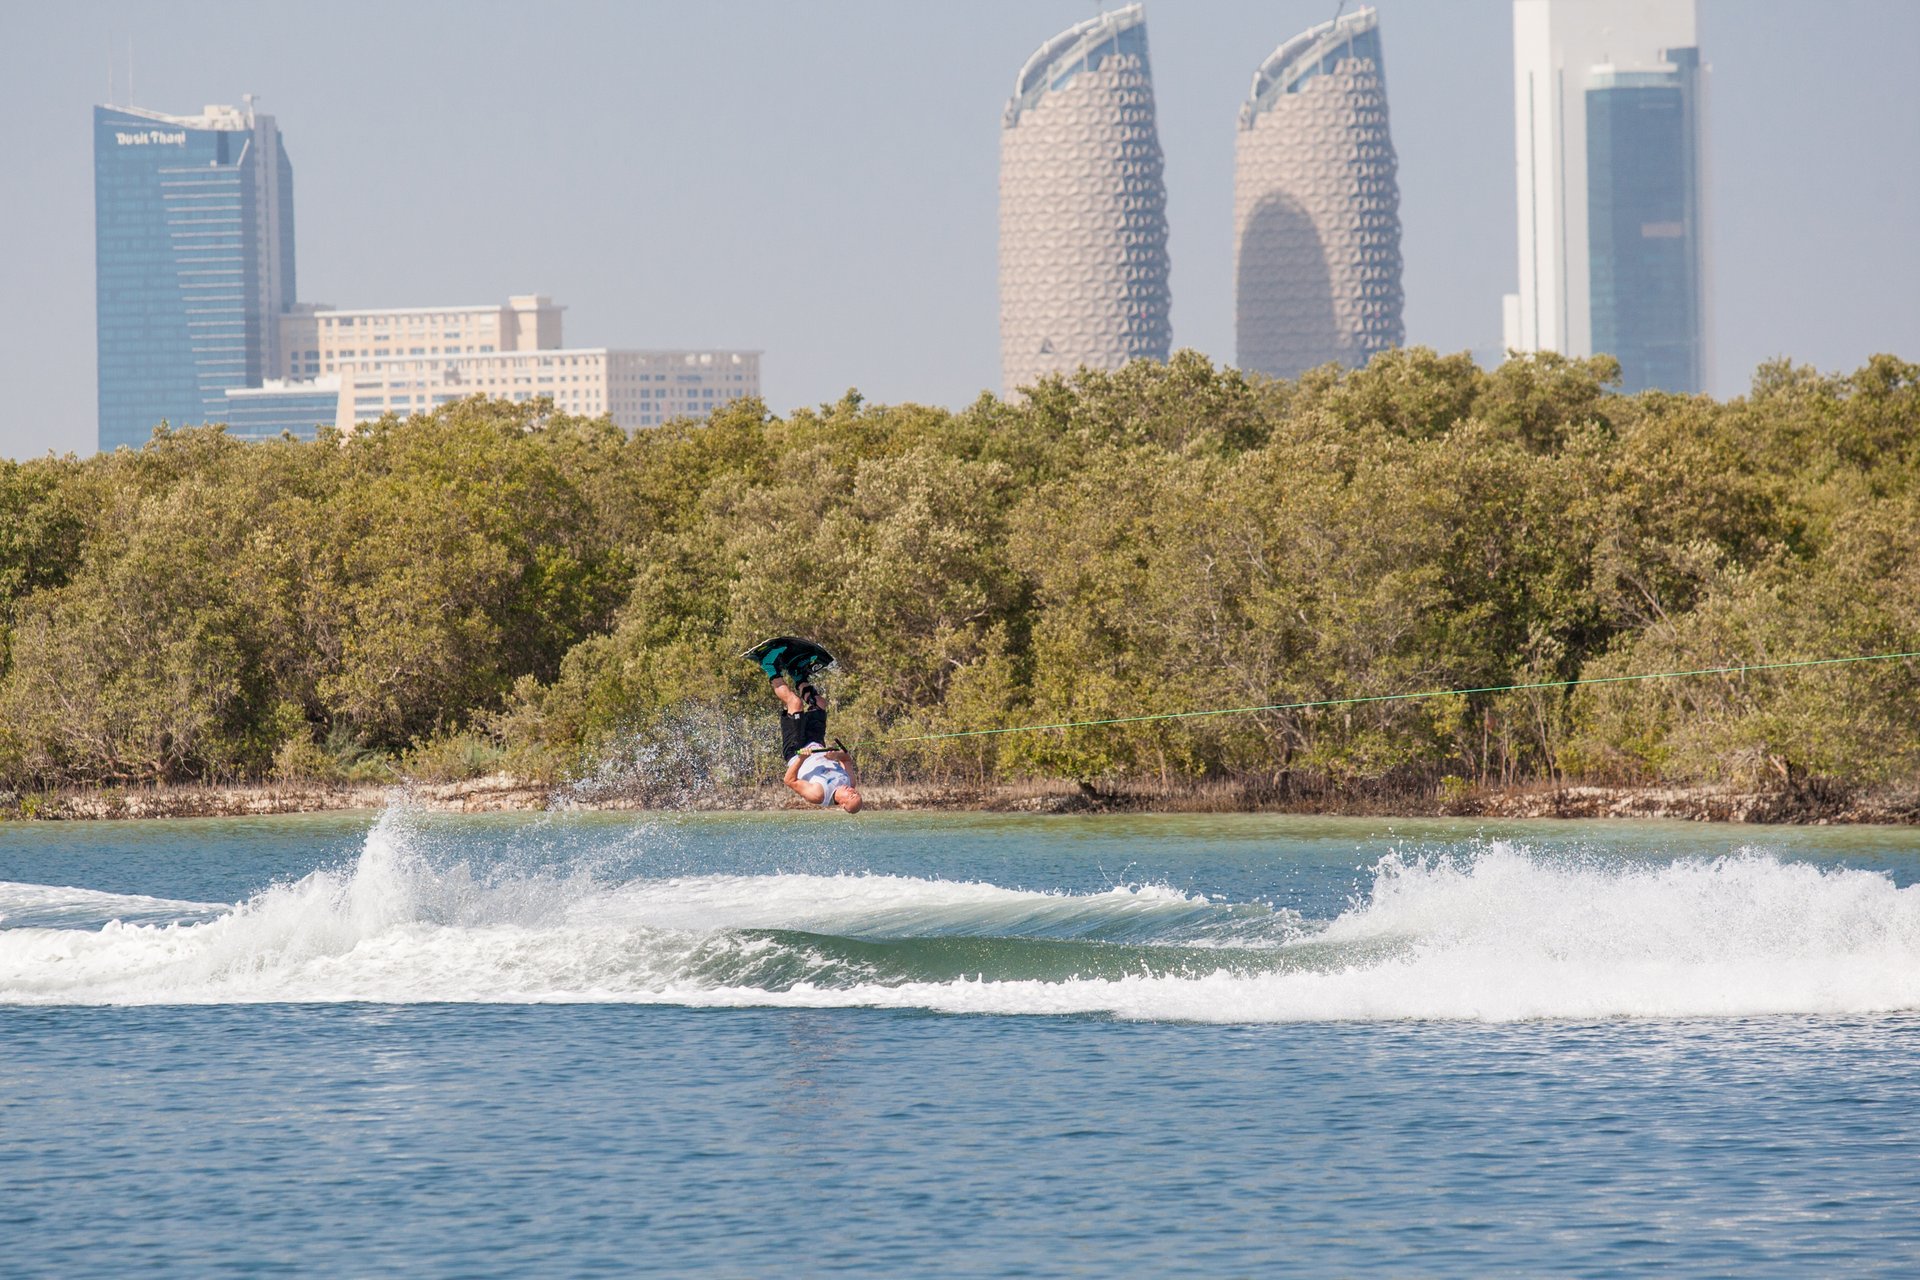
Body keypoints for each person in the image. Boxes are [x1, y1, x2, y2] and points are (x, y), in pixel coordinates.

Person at [768, 671, 863, 813]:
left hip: (796, 751)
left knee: (795, 703)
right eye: (856, 793)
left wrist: (802, 758)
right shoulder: (850, 782)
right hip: (816, 743)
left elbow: (789, 781)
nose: (852, 791)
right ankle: (799, 674)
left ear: (842, 804)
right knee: (819, 703)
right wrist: (837, 756)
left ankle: (770, 667)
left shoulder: (819, 795)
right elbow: (847, 760)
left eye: (851, 796)